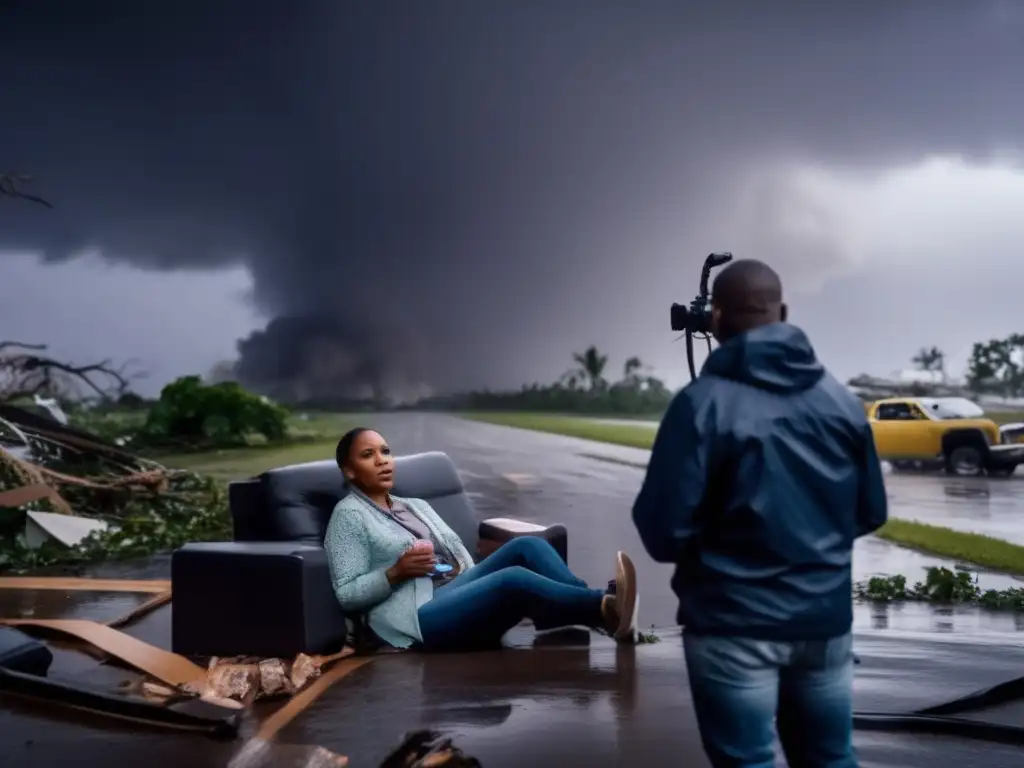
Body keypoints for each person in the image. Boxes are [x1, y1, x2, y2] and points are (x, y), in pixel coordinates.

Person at [632, 259, 888, 768]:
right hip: (825, 625)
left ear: (716, 318)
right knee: (832, 759)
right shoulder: (841, 401)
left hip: (732, 626)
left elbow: (663, 534)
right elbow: (870, 512)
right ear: (783, 313)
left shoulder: (699, 404)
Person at [325, 426, 639, 652]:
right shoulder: (348, 515)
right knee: (512, 579)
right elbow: (347, 594)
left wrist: (468, 571)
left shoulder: (415, 505)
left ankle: (597, 608)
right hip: (414, 617)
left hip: (451, 587)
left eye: (385, 451)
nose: (382, 460)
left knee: (527, 546)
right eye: (368, 455)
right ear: (349, 471)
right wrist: (396, 572)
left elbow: (456, 551)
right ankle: (602, 606)